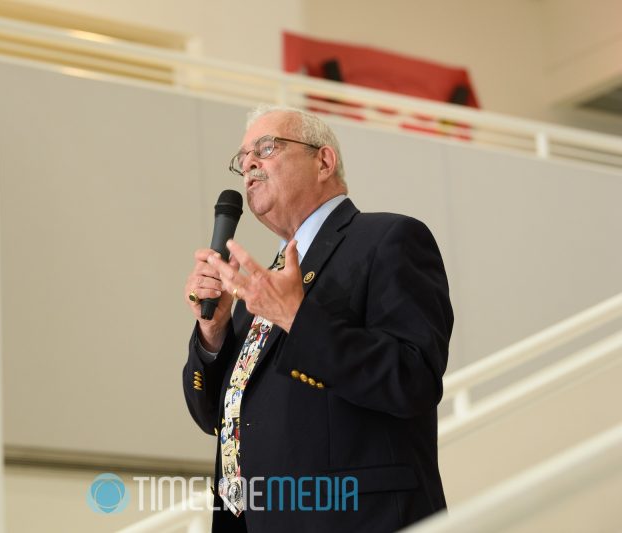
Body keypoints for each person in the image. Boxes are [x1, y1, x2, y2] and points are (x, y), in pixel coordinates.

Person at [182, 105, 453, 532]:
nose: (249, 163)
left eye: (266, 148)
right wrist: (212, 336)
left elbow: (412, 379)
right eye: (243, 158)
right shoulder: (264, 283)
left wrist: (298, 317)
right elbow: (213, 417)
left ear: (323, 160)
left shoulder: (388, 239)